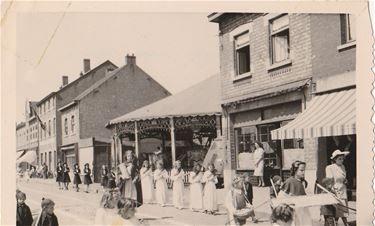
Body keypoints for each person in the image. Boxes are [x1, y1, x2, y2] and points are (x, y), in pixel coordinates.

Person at [278, 161, 312, 226]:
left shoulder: (303, 182)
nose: (303, 172)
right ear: (295, 170)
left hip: (302, 209)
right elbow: (281, 197)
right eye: (301, 170)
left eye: (304, 170)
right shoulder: (289, 182)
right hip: (293, 209)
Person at [325, 150, 350, 226]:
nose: (342, 160)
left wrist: (345, 181)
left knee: (343, 208)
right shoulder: (330, 168)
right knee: (339, 209)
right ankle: (344, 223)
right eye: (340, 159)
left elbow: (343, 177)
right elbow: (329, 180)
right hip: (335, 190)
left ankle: (341, 223)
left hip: (343, 189)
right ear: (335, 159)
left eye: (342, 159)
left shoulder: (343, 166)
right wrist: (332, 190)